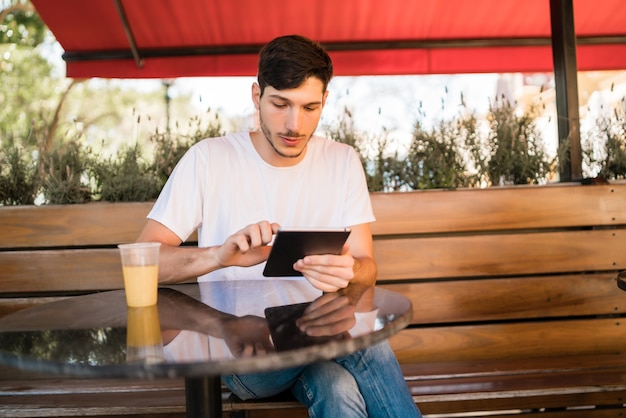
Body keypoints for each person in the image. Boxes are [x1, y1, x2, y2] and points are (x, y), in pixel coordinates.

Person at [137, 34, 421, 418]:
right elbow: (144, 261)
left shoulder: (341, 161)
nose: (294, 124)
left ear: (324, 102)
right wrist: (219, 257)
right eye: (280, 104)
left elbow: (366, 268)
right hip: (242, 354)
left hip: (320, 341)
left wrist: (350, 271)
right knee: (367, 344)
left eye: (309, 107)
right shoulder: (209, 159)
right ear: (256, 96)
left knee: (336, 388)